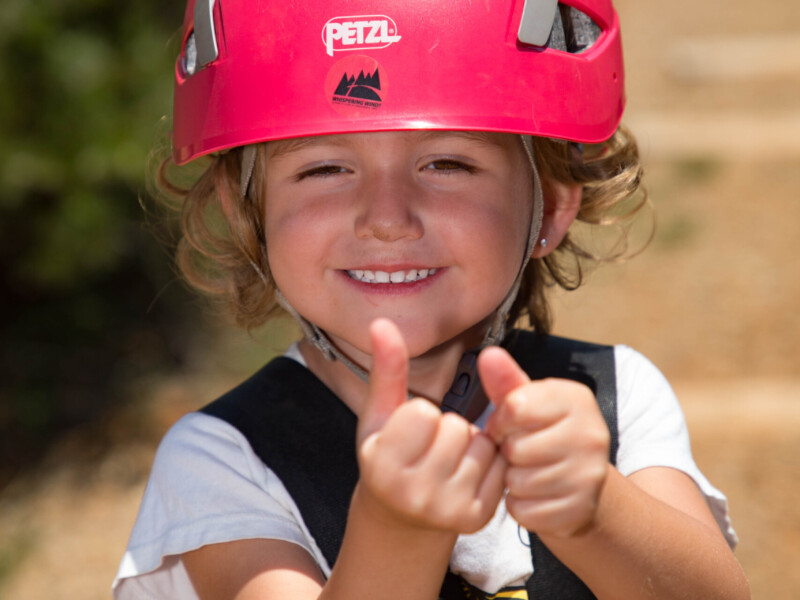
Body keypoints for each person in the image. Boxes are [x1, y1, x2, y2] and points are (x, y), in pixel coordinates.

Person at [114, 0, 750, 598]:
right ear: (247, 212)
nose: (386, 219)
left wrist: (594, 511)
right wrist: (397, 530)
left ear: (551, 205)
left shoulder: (614, 396)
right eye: (324, 169)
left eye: (447, 164)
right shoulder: (224, 458)